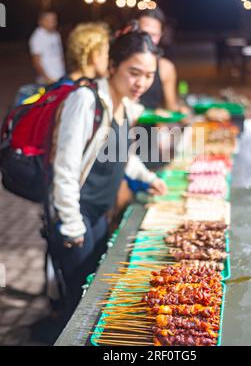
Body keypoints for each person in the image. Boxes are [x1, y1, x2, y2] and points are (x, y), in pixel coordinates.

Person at [49, 26, 167, 319]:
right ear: (112, 66)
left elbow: (119, 153)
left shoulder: (125, 103)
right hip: (78, 218)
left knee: (95, 298)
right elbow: (64, 167)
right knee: (80, 308)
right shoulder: (86, 100)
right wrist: (72, 224)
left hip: (101, 215)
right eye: (134, 72)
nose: (142, 82)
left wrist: (147, 177)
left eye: (149, 75)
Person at [137, 8, 184, 112]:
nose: (148, 39)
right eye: (143, 33)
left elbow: (171, 107)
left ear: (161, 35)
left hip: (151, 127)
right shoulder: (119, 64)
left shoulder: (165, 67)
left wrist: (187, 112)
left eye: (153, 35)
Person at [29, 11, 66, 84]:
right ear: (41, 21)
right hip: (48, 79)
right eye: (48, 20)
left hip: (60, 76)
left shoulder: (56, 34)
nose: (53, 22)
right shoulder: (37, 37)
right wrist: (46, 78)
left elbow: (60, 55)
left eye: (54, 19)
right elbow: (36, 61)